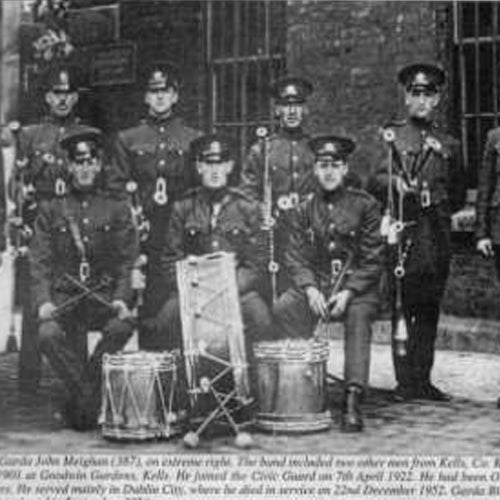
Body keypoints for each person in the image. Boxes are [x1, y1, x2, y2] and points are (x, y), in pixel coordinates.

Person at [29, 127, 138, 430]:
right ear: (70, 166)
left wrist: (121, 297)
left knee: (122, 326)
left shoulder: (117, 207)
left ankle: (81, 399)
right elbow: (39, 261)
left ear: (100, 164)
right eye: (79, 162)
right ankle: (90, 396)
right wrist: (44, 302)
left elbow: (127, 261)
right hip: (66, 297)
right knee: (48, 334)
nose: (85, 168)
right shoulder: (51, 209)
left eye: (91, 162)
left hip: (103, 296)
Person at [272, 135, 383, 432]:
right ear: (315, 170)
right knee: (284, 307)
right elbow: (295, 256)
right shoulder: (304, 208)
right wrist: (309, 289)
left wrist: (349, 292)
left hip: (356, 288)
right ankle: (306, 382)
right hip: (318, 286)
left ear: (345, 168)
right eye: (323, 166)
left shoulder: (366, 205)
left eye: (335, 165)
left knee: (358, 318)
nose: (329, 172)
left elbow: (372, 259)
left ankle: (352, 397)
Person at [369, 63, 465, 402]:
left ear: (437, 99)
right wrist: (395, 183)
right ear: (406, 97)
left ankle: (423, 380)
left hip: (435, 238)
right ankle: (404, 382)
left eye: (428, 95)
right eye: (415, 94)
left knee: (429, 309)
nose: (421, 101)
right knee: (403, 306)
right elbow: (374, 181)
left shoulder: (449, 143)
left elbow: (456, 191)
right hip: (405, 236)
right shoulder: (393, 135)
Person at [144, 133, 271, 364]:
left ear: (230, 166)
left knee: (261, 317)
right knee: (163, 322)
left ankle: (253, 389)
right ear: (199, 167)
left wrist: (227, 287)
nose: (215, 170)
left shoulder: (247, 208)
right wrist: (196, 288)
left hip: (235, 291)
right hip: (192, 291)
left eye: (221, 163)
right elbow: (170, 260)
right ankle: (177, 391)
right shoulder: (183, 207)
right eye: (209, 164)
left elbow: (257, 263)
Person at [111, 64, 202, 349]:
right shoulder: (128, 139)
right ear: (145, 97)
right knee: (150, 305)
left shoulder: (193, 139)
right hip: (146, 234)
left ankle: (186, 375)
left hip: (182, 234)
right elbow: (117, 189)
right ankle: (154, 373)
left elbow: (199, 191)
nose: (160, 97)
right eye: (154, 91)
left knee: (185, 302)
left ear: (175, 96)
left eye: (165, 91)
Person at [8, 67, 88, 390]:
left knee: (76, 296)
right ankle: (29, 378)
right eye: (57, 93)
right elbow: (17, 184)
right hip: (39, 226)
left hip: (73, 225)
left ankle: (78, 375)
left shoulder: (86, 134)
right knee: (34, 297)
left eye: (68, 94)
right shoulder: (29, 135)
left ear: (76, 97)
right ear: (47, 97)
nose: (62, 99)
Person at [240, 76, 316, 301]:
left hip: (308, 234)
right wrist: (261, 211)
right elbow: (246, 193)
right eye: (286, 105)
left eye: (297, 105)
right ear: (277, 110)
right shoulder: (262, 150)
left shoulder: (316, 149)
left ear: (305, 110)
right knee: (273, 293)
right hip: (275, 234)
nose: (292, 111)